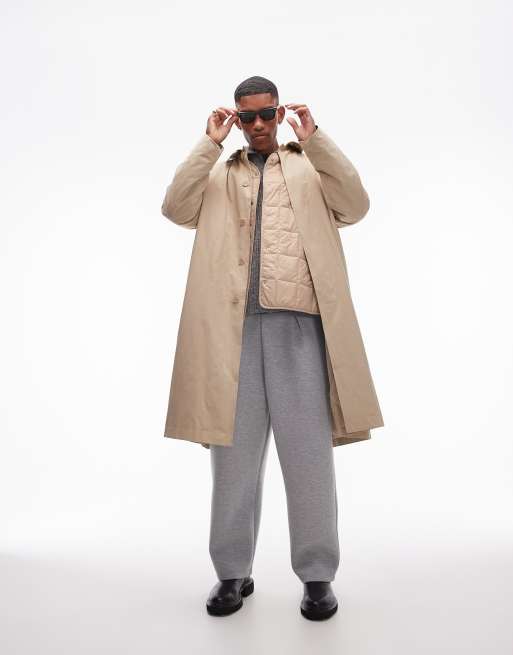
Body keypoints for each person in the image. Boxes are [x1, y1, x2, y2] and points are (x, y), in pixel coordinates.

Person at [160, 75, 384, 620]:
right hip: (231, 333)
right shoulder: (220, 173)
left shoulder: (309, 166)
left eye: (267, 113)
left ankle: (317, 575)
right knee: (232, 462)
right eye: (247, 117)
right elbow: (175, 208)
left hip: (298, 328)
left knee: (308, 460)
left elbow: (356, 205)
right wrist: (208, 144)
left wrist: (317, 139)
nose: (258, 124)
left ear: (280, 113)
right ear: (237, 119)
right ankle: (232, 572)